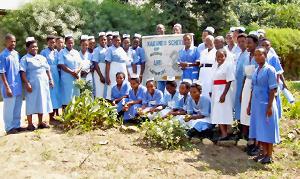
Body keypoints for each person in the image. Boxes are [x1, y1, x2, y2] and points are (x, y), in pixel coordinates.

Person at [248, 47, 280, 164]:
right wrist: (249, 104)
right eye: (255, 55)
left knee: (268, 129)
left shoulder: (270, 70)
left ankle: (269, 155)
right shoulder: (256, 70)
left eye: (259, 54)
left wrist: (270, 106)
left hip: (266, 104)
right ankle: (263, 152)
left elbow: (273, 89)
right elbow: (252, 88)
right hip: (256, 104)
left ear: (265, 55)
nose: (257, 57)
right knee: (259, 129)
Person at [20, 37, 53, 131]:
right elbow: (23, 73)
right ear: (27, 48)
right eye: (32, 47)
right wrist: (27, 83)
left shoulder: (42, 57)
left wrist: (51, 80)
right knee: (31, 102)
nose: (34, 48)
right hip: (32, 84)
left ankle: (40, 122)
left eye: (36, 47)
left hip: (43, 83)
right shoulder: (25, 59)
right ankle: (30, 123)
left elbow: (47, 69)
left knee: (41, 101)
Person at [0, 34, 24, 134]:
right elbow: (2, 72)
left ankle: (17, 125)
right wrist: (7, 87)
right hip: (9, 86)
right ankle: (9, 128)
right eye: (11, 41)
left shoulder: (16, 54)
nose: (13, 43)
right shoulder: (3, 55)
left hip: (18, 85)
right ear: (6, 42)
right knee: (9, 108)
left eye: (14, 41)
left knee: (18, 106)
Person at [240, 34, 259, 155]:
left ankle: (256, 142)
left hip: (256, 88)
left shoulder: (259, 57)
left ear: (256, 44)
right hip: (246, 86)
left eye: (249, 43)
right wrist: (242, 92)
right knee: (245, 113)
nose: (247, 45)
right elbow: (244, 76)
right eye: (246, 43)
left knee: (253, 113)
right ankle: (249, 139)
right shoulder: (247, 56)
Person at [210, 49, 235, 140]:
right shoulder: (215, 66)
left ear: (225, 56)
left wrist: (224, 94)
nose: (220, 58)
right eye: (218, 56)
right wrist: (211, 90)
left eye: (222, 56)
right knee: (218, 112)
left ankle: (225, 133)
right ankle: (223, 132)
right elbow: (213, 79)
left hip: (223, 90)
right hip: (216, 90)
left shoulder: (228, 66)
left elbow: (229, 81)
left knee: (223, 111)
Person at [261, 38, 287, 119]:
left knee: (273, 102)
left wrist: (275, 86)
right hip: (263, 84)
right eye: (263, 45)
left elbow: (278, 72)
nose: (265, 47)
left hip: (273, 85)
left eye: (267, 45)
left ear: (270, 46)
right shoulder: (259, 56)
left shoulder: (273, 57)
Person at [40, 35, 61, 124]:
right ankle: (51, 117)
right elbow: (42, 65)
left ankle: (57, 114)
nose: (52, 44)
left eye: (54, 42)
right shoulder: (43, 52)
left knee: (57, 94)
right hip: (49, 74)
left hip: (57, 74)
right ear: (47, 42)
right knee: (51, 95)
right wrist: (48, 77)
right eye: (50, 42)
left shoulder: (56, 52)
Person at [58, 35, 81, 108]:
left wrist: (77, 71)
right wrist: (72, 72)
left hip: (76, 77)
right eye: (68, 43)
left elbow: (81, 64)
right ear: (65, 43)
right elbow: (61, 64)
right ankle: (66, 115)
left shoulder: (76, 52)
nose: (70, 44)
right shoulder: (62, 52)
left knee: (76, 94)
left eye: (72, 43)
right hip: (67, 77)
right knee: (67, 96)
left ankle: (75, 114)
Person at [105, 32, 131, 100]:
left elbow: (125, 63)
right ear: (112, 41)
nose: (117, 42)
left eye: (119, 40)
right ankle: (111, 101)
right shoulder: (110, 49)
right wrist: (107, 76)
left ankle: (122, 100)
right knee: (113, 85)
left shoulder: (121, 49)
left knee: (124, 84)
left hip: (123, 70)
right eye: (115, 40)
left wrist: (128, 74)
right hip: (113, 70)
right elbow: (108, 63)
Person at [233, 34, 249, 123]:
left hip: (245, 83)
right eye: (239, 42)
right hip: (237, 83)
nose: (241, 44)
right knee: (238, 104)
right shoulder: (239, 54)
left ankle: (245, 129)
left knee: (244, 103)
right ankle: (239, 126)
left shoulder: (249, 54)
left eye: (243, 41)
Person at [92, 32, 108, 98]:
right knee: (99, 89)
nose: (103, 41)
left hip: (106, 70)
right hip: (99, 71)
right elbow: (95, 63)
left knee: (106, 90)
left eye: (105, 39)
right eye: (102, 40)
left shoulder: (108, 49)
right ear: (99, 41)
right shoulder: (96, 50)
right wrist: (101, 76)